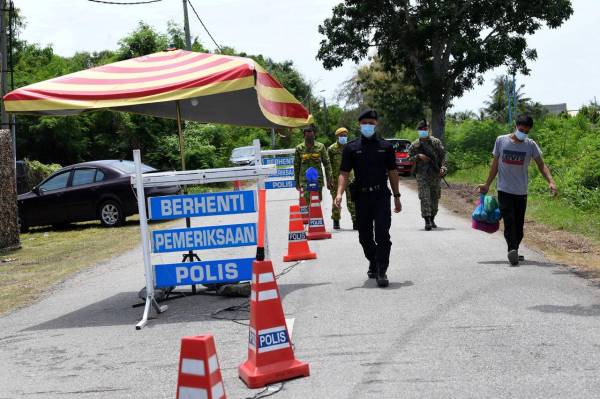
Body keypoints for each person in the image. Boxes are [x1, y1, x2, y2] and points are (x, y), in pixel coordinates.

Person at [478, 114, 557, 266]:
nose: (523, 133)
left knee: (519, 227)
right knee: (509, 221)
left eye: (526, 131)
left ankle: (514, 249)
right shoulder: (501, 141)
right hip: (504, 190)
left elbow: (541, 165)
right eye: (521, 130)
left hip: (521, 192)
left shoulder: (530, 145)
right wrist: (487, 184)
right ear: (516, 126)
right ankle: (512, 249)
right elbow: (494, 165)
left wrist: (551, 182)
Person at [335, 109, 402, 288]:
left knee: (382, 233)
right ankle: (373, 259)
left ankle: (381, 270)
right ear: (359, 125)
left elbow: (393, 172)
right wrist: (339, 193)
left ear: (376, 124)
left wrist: (397, 196)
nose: (368, 126)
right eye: (365, 123)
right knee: (364, 236)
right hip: (362, 197)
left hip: (381, 196)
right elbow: (344, 173)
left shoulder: (385, 147)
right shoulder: (351, 147)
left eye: (371, 123)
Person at [408, 120, 448, 231]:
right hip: (422, 175)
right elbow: (409, 158)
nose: (424, 131)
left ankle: (432, 217)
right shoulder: (415, 145)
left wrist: (443, 168)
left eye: (425, 129)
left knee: (435, 198)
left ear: (429, 130)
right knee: (424, 197)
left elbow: (444, 156)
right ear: (418, 131)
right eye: (421, 130)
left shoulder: (436, 142)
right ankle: (427, 220)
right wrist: (418, 156)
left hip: (435, 175)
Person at [294, 125, 333, 204]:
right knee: (307, 201)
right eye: (306, 132)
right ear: (304, 135)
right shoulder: (299, 148)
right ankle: (309, 215)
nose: (309, 134)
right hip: (305, 181)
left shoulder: (320, 147)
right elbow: (296, 166)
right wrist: (297, 182)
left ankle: (315, 216)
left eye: (310, 132)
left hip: (317, 180)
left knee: (317, 202)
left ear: (314, 134)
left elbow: (327, 164)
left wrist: (329, 180)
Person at [328, 127, 357, 230]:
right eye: (341, 136)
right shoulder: (331, 149)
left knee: (352, 201)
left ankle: (355, 221)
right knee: (336, 200)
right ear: (337, 137)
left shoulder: (351, 148)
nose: (343, 137)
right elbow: (328, 165)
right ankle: (336, 221)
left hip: (350, 178)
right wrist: (329, 178)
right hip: (336, 179)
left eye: (345, 135)